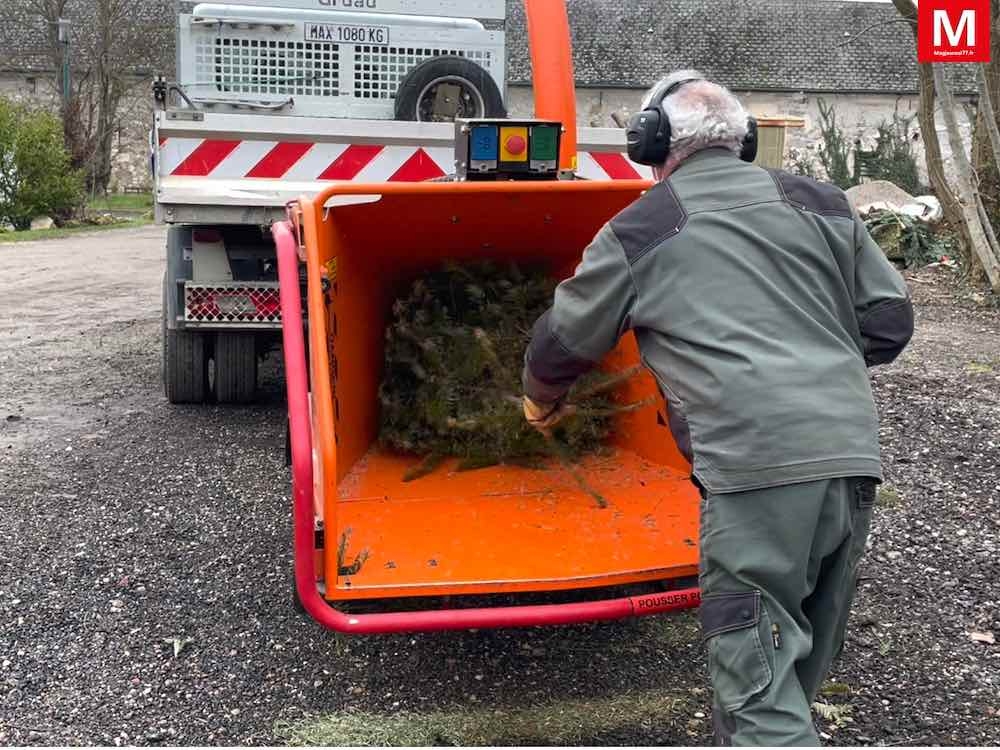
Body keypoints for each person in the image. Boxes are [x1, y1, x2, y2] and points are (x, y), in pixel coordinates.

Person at [521, 70, 914, 746]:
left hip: (754, 468)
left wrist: (539, 397)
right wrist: (812, 361)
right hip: (850, 460)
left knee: (757, 686)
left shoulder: (644, 228)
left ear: (650, 143)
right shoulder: (823, 203)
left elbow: (566, 338)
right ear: (744, 139)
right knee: (792, 665)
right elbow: (889, 322)